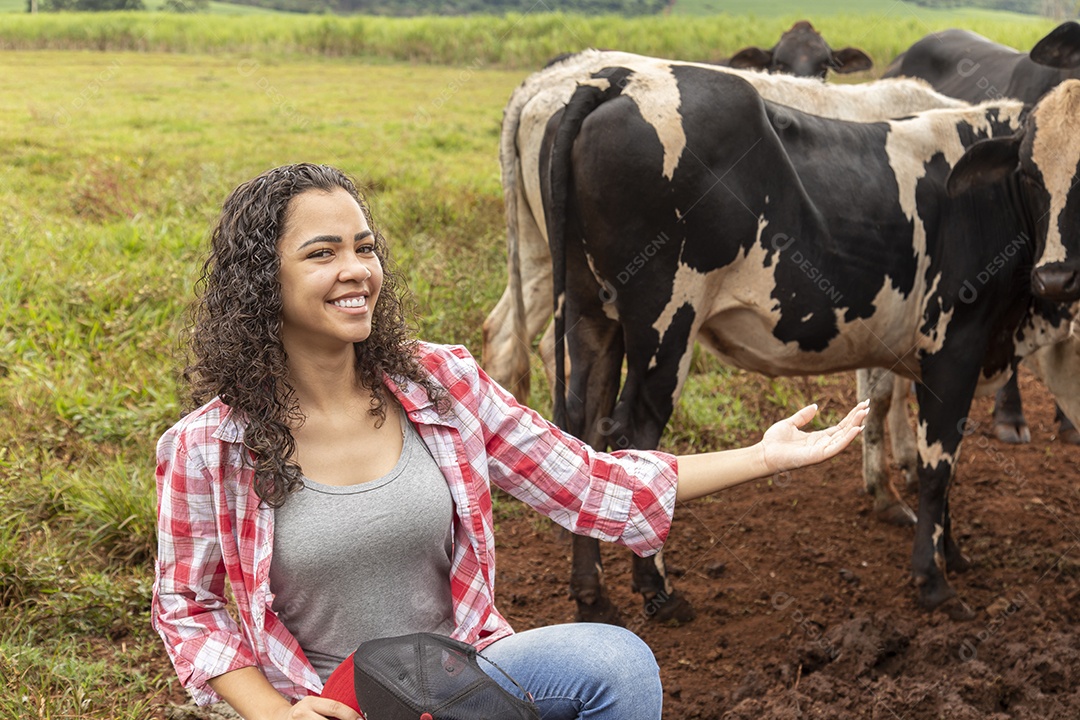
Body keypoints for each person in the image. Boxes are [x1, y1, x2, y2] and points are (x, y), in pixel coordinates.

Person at [152, 162, 869, 720]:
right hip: (331, 703)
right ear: (261, 282)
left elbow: (590, 483)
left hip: (464, 683)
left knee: (617, 664)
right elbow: (189, 606)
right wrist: (276, 712)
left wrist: (764, 456)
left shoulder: (441, 385)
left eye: (365, 248)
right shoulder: (208, 447)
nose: (357, 271)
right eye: (322, 253)